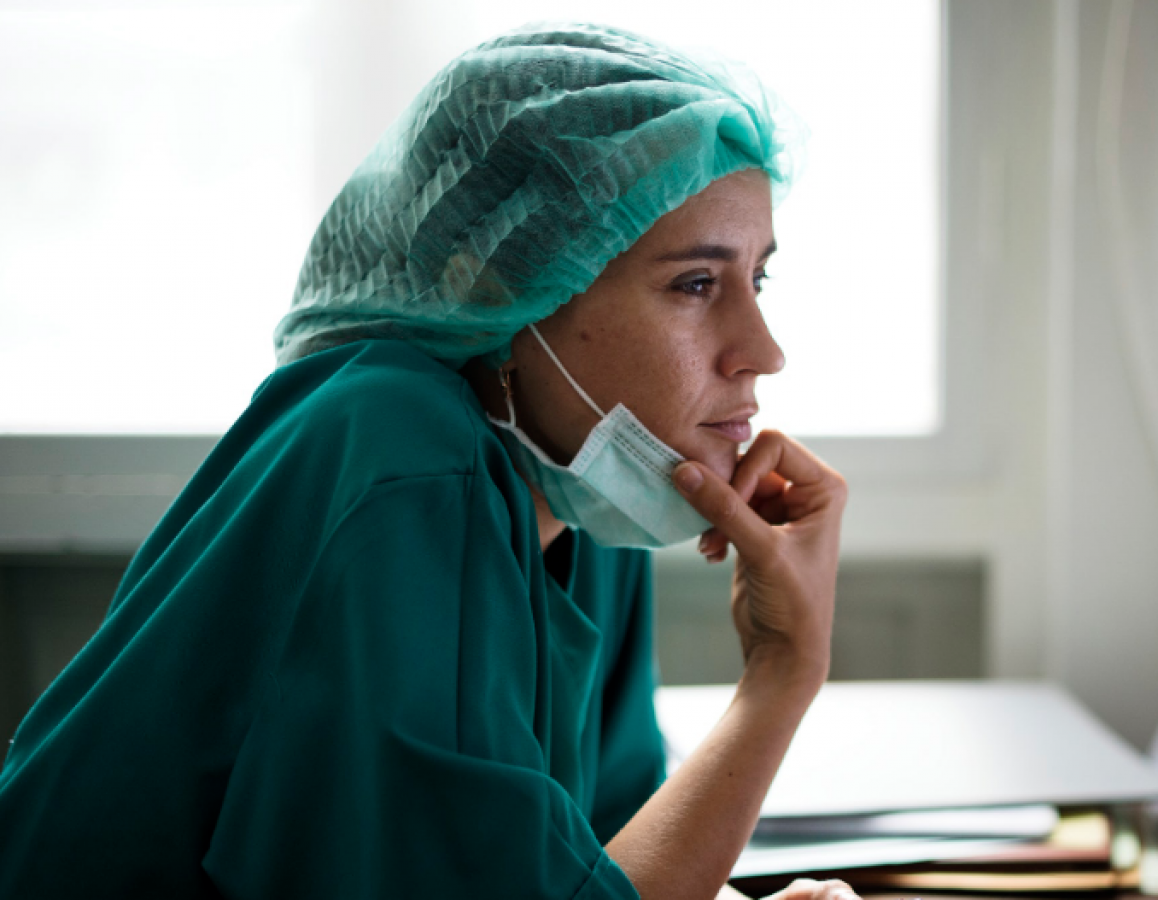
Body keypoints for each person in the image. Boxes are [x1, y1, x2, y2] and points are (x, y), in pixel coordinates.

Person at [0, 24, 857, 900]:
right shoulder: (406, 461)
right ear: (501, 283)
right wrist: (784, 670)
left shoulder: (593, 485)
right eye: (696, 285)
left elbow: (604, 861)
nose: (764, 351)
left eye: (758, 280)